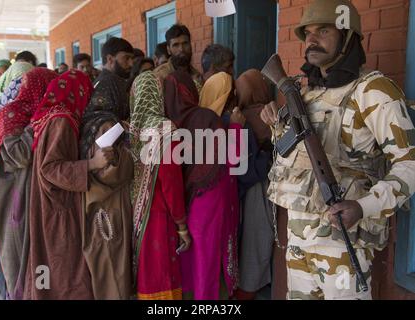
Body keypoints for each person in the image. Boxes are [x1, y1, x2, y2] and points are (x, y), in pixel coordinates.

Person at [261, 0, 415, 300]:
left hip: (344, 244)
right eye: (307, 33)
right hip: (298, 236)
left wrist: (363, 207)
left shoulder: (373, 91)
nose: (311, 39)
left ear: (348, 36)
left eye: (323, 30)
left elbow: (410, 164)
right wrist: (276, 125)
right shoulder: (306, 91)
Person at [24, 70, 112, 300]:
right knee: (66, 272)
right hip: (57, 207)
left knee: (51, 268)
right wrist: (92, 163)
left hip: (49, 203)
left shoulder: (51, 115)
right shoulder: (62, 120)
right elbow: (50, 168)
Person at [164, 69, 244, 300]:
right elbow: (233, 160)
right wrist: (237, 129)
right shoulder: (207, 119)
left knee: (194, 259)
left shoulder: (170, 121)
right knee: (207, 261)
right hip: (209, 201)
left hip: (185, 202)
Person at [0, 68, 57, 300]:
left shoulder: (28, 112)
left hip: (27, 197)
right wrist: (38, 124)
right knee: (18, 257)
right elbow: (19, 154)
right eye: (49, 90)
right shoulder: (10, 114)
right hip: (14, 203)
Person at [130, 71, 191, 300]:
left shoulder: (129, 129)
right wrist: (182, 226)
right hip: (159, 220)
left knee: (145, 282)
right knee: (162, 283)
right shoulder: (166, 129)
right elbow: (171, 184)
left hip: (135, 220)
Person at [79, 108, 134, 300]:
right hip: (110, 211)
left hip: (93, 211)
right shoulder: (108, 126)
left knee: (102, 274)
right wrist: (125, 153)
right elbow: (110, 171)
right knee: (116, 274)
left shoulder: (85, 122)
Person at [234, 69, 275, 300]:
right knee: (257, 240)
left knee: (247, 242)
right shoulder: (269, 114)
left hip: (246, 188)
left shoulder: (239, 117)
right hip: (261, 185)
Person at [86, 37, 134, 122]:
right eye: (126, 58)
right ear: (110, 59)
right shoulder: (107, 82)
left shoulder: (112, 80)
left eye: (131, 59)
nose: (131, 64)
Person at [154, 24, 203, 92]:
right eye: (176, 45)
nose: (181, 49)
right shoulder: (160, 75)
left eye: (185, 43)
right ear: (168, 50)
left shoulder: (197, 76)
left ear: (190, 45)